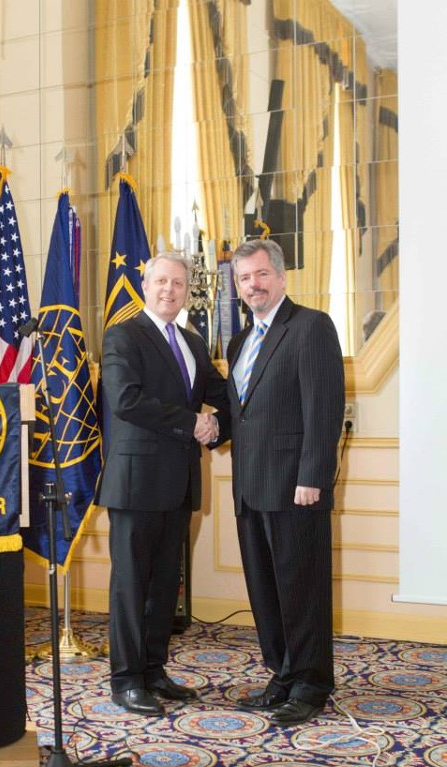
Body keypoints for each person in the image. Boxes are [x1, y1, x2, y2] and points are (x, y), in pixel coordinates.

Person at [96, 251, 229, 716]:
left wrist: (223, 425)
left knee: (163, 587)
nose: (169, 290)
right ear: (145, 286)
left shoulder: (192, 343)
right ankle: (126, 680)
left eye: (177, 283)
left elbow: (222, 393)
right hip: (136, 483)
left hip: (178, 484)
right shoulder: (123, 336)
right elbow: (126, 401)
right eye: (161, 282)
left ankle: (153, 671)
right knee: (131, 584)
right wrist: (193, 423)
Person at [226, 239, 345, 726]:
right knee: (267, 590)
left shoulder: (311, 326)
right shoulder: (238, 343)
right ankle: (283, 673)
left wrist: (313, 476)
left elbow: (324, 408)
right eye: (244, 279)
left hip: (296, 488)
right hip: (251, 489)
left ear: (281, 276)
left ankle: (311, 683)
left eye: (260, 275)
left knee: (302, 587)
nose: (253, 285)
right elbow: (245, 414)